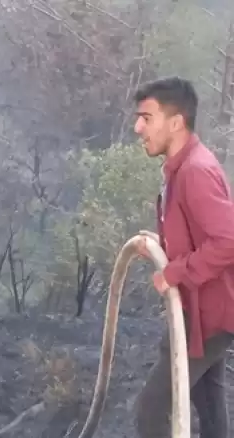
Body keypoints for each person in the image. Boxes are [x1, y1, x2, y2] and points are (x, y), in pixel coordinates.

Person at [132, 76, 234, 438]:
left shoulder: (195, 172)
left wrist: (174, 272)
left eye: (147, 118)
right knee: (210, 406)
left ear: (175, 123)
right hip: (205, 311)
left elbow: (228, 240)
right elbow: (201, 233)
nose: (138, 127)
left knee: (152, 411)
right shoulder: (181, 167)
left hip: (210, 315)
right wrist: (161, 245)